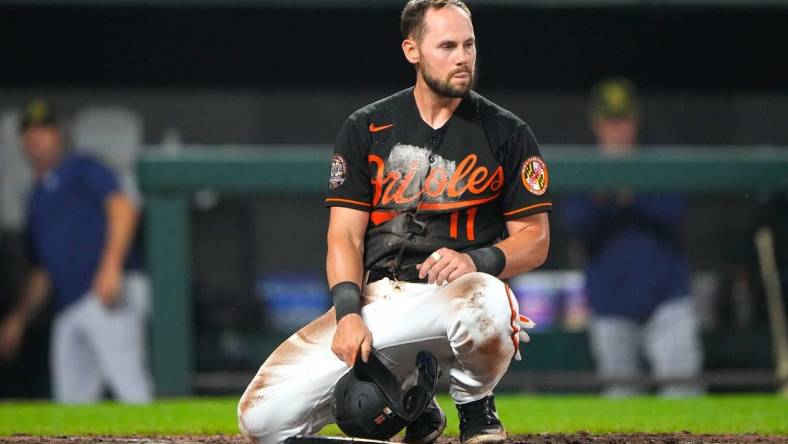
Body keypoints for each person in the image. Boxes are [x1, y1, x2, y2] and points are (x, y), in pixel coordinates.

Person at [238, 1, 551, 443]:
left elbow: (535, 239)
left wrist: (477, 260)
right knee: (260, 422)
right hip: (378, 299)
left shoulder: (507, 132)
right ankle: (415, 406)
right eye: (447, 46)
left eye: (469, 44)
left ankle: (476, 407)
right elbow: (344, 236)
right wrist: (348, 314)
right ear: (412, 51)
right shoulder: (367, 127)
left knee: (491, 299)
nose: (462, 57)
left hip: (455, 297)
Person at [0, 100, 152, 403]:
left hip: (105, 291)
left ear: (60, 135)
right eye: (29, 132)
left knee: (131, 389)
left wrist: (110, 267)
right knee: (72, 406)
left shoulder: (82, 167)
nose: (36, 138)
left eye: (44, 130)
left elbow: (124, 209)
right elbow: (42, 271)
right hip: (69, 306)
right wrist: (18, 318)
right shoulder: (35, 198)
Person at [560, 78, 704, 397]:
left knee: (684, 397)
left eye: (623, 119)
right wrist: (605, 195)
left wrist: (629, 192)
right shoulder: (584, 169)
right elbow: (574, 224)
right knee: (621, 404)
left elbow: (677, 213)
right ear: (597, 123)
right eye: (610, 120)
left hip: (666, 301)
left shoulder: (657, 163)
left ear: (635, 120)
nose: (617, 129)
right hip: (610, 305)